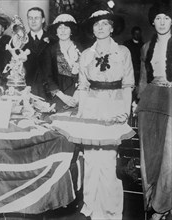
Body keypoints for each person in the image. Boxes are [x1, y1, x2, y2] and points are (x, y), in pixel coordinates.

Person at [75, 3, 134, 219]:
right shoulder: (86, 55)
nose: (100, 28)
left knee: (109, 160)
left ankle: (110, 211)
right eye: (96, 25)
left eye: (105, 24)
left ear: (111, 28)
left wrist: (125, 113)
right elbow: (82, 86)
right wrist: (81, 114)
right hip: (91, 107)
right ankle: (91, 205)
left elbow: (128, 85)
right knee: (91, 159)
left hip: (114, 107)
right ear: (92, 30)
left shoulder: (123, 52)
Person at [136, 1, 172, 220]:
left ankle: (162, 205)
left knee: (170, 157)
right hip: (150, 102)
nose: (162, 22)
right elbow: (142, 79)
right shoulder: (146, 47)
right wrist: (137, 101)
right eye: (158, 18)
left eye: (166, 18)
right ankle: (152, 203)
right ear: (152, 21)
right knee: (150, 157)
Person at [41, 13, 81, 111]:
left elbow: (86, 74)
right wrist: (63, 97)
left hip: (80, 95)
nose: (63, 31)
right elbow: (47, 77)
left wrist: (78, 95)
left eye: (66, 27)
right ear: (56, 31)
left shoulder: (81, 48)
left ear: (71, 30)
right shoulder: (50, 50)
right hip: (58, 97)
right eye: (59, 28)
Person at [23, 7, 50, 99]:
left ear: (43, 20)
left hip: (49, 91)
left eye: (36, 18)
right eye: (30, 18)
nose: (33, 21)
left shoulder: (53, 40)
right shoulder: (21, 42)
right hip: (27, 91)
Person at [123, 26, 144, 102]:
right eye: (135, 34)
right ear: (132, 34)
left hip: (139, 73)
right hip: (129, 71)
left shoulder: (143, 45)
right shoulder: (127, 45)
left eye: (139, 34)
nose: (137, 35)